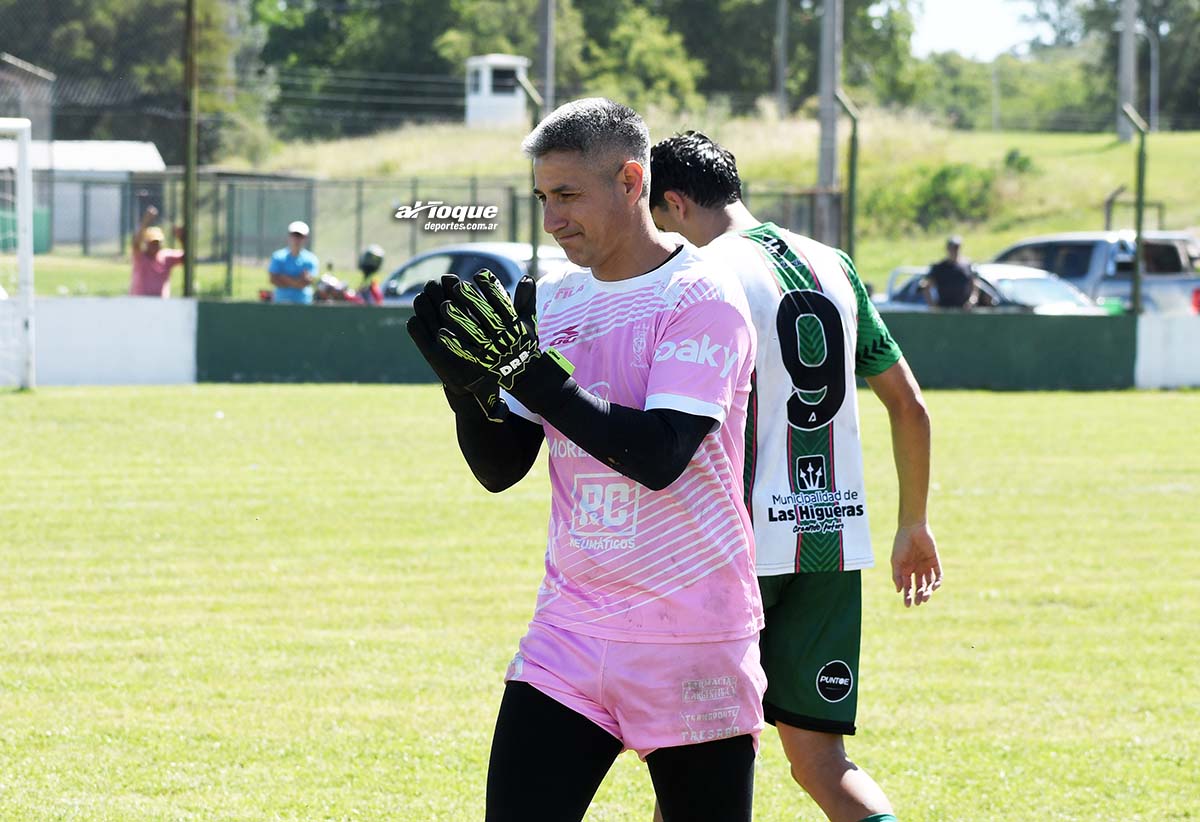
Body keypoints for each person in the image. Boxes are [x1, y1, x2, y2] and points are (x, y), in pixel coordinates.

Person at [406, 99, 766, 822]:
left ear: (632, 181)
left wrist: (533, 375)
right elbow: (500, 467)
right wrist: (467, 392)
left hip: (691, 635)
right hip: (568, 635)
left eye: (568, 195)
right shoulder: (555, 303)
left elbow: (661, 453)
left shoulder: (701, 296)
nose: (551, 219)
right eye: (543, 197)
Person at [649, 131, 942, 822]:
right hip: (830, 537)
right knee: (820, 763)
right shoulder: (831, 263)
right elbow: (910, 404)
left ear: (673, 203)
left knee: (701, 767)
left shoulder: (698, 273)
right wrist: (913, 524)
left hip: (735, 546)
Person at [130, 206, 185, 297]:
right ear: (146, 243)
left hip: (161, 304)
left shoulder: (166, 257)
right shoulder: (140, 257)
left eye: (157, 242)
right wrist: (145, 221)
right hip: (139, 303)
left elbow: (185, 258)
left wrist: (182, 239)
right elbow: (136, 244)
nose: (154, 245)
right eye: (152, 242)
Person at [268, 220, 318, 304]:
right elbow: (274, 279)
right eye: (294, 235)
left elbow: (307, 282)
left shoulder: (311, 259)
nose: (296, 239)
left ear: (305, 238)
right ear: (289, 236)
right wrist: (297, 281)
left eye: (300, 236)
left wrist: (284, 277)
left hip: (303, 302)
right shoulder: (278, 256)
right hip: (281, 302)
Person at [921, 235, 976, 309]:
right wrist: (933, 306)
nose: (955, 250)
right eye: (952, 248)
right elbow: (925, 286)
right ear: (947, 249)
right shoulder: (939, 267)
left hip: (963, 311)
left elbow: (975, 285)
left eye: (957, 248)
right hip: (944, 310)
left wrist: (971, 301)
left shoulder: (967, 265)